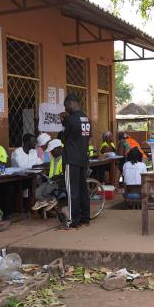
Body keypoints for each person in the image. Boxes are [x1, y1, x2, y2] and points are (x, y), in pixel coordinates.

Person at [61, 93, 91, 229]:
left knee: (72, 190)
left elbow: (64, 137)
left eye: (66, 105)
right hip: (82, 157)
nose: (65, 108)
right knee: (82, 189)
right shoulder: (86, 118)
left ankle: (73, 221)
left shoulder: (70, 119)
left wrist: (63, 121)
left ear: (71, 102)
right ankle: (85, 217)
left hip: (71, 159)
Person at [32, 139, 65, 211]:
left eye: (52, 151)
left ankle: (52, 200)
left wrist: (56, 177)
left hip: (59, 182)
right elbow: (51, 169)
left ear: (59, 148)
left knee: (46, 191)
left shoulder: (65, 159)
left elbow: (64, 174)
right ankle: (47, 201)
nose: (51, 153)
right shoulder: (53, 159)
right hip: (50, 181)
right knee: (37, 193)